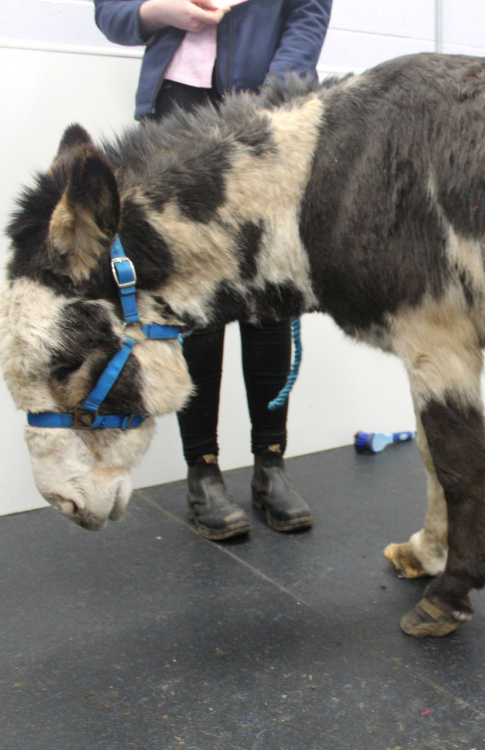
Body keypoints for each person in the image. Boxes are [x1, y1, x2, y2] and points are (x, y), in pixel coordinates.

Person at [95, 0, 333, 540]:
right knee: (193, 300)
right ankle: (202, 474)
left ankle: (270, 464)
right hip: (174, 112)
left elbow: (309, 11)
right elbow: (111, 11)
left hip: (260, 112)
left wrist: (276, 102)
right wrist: (160, 10)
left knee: (269, 294)